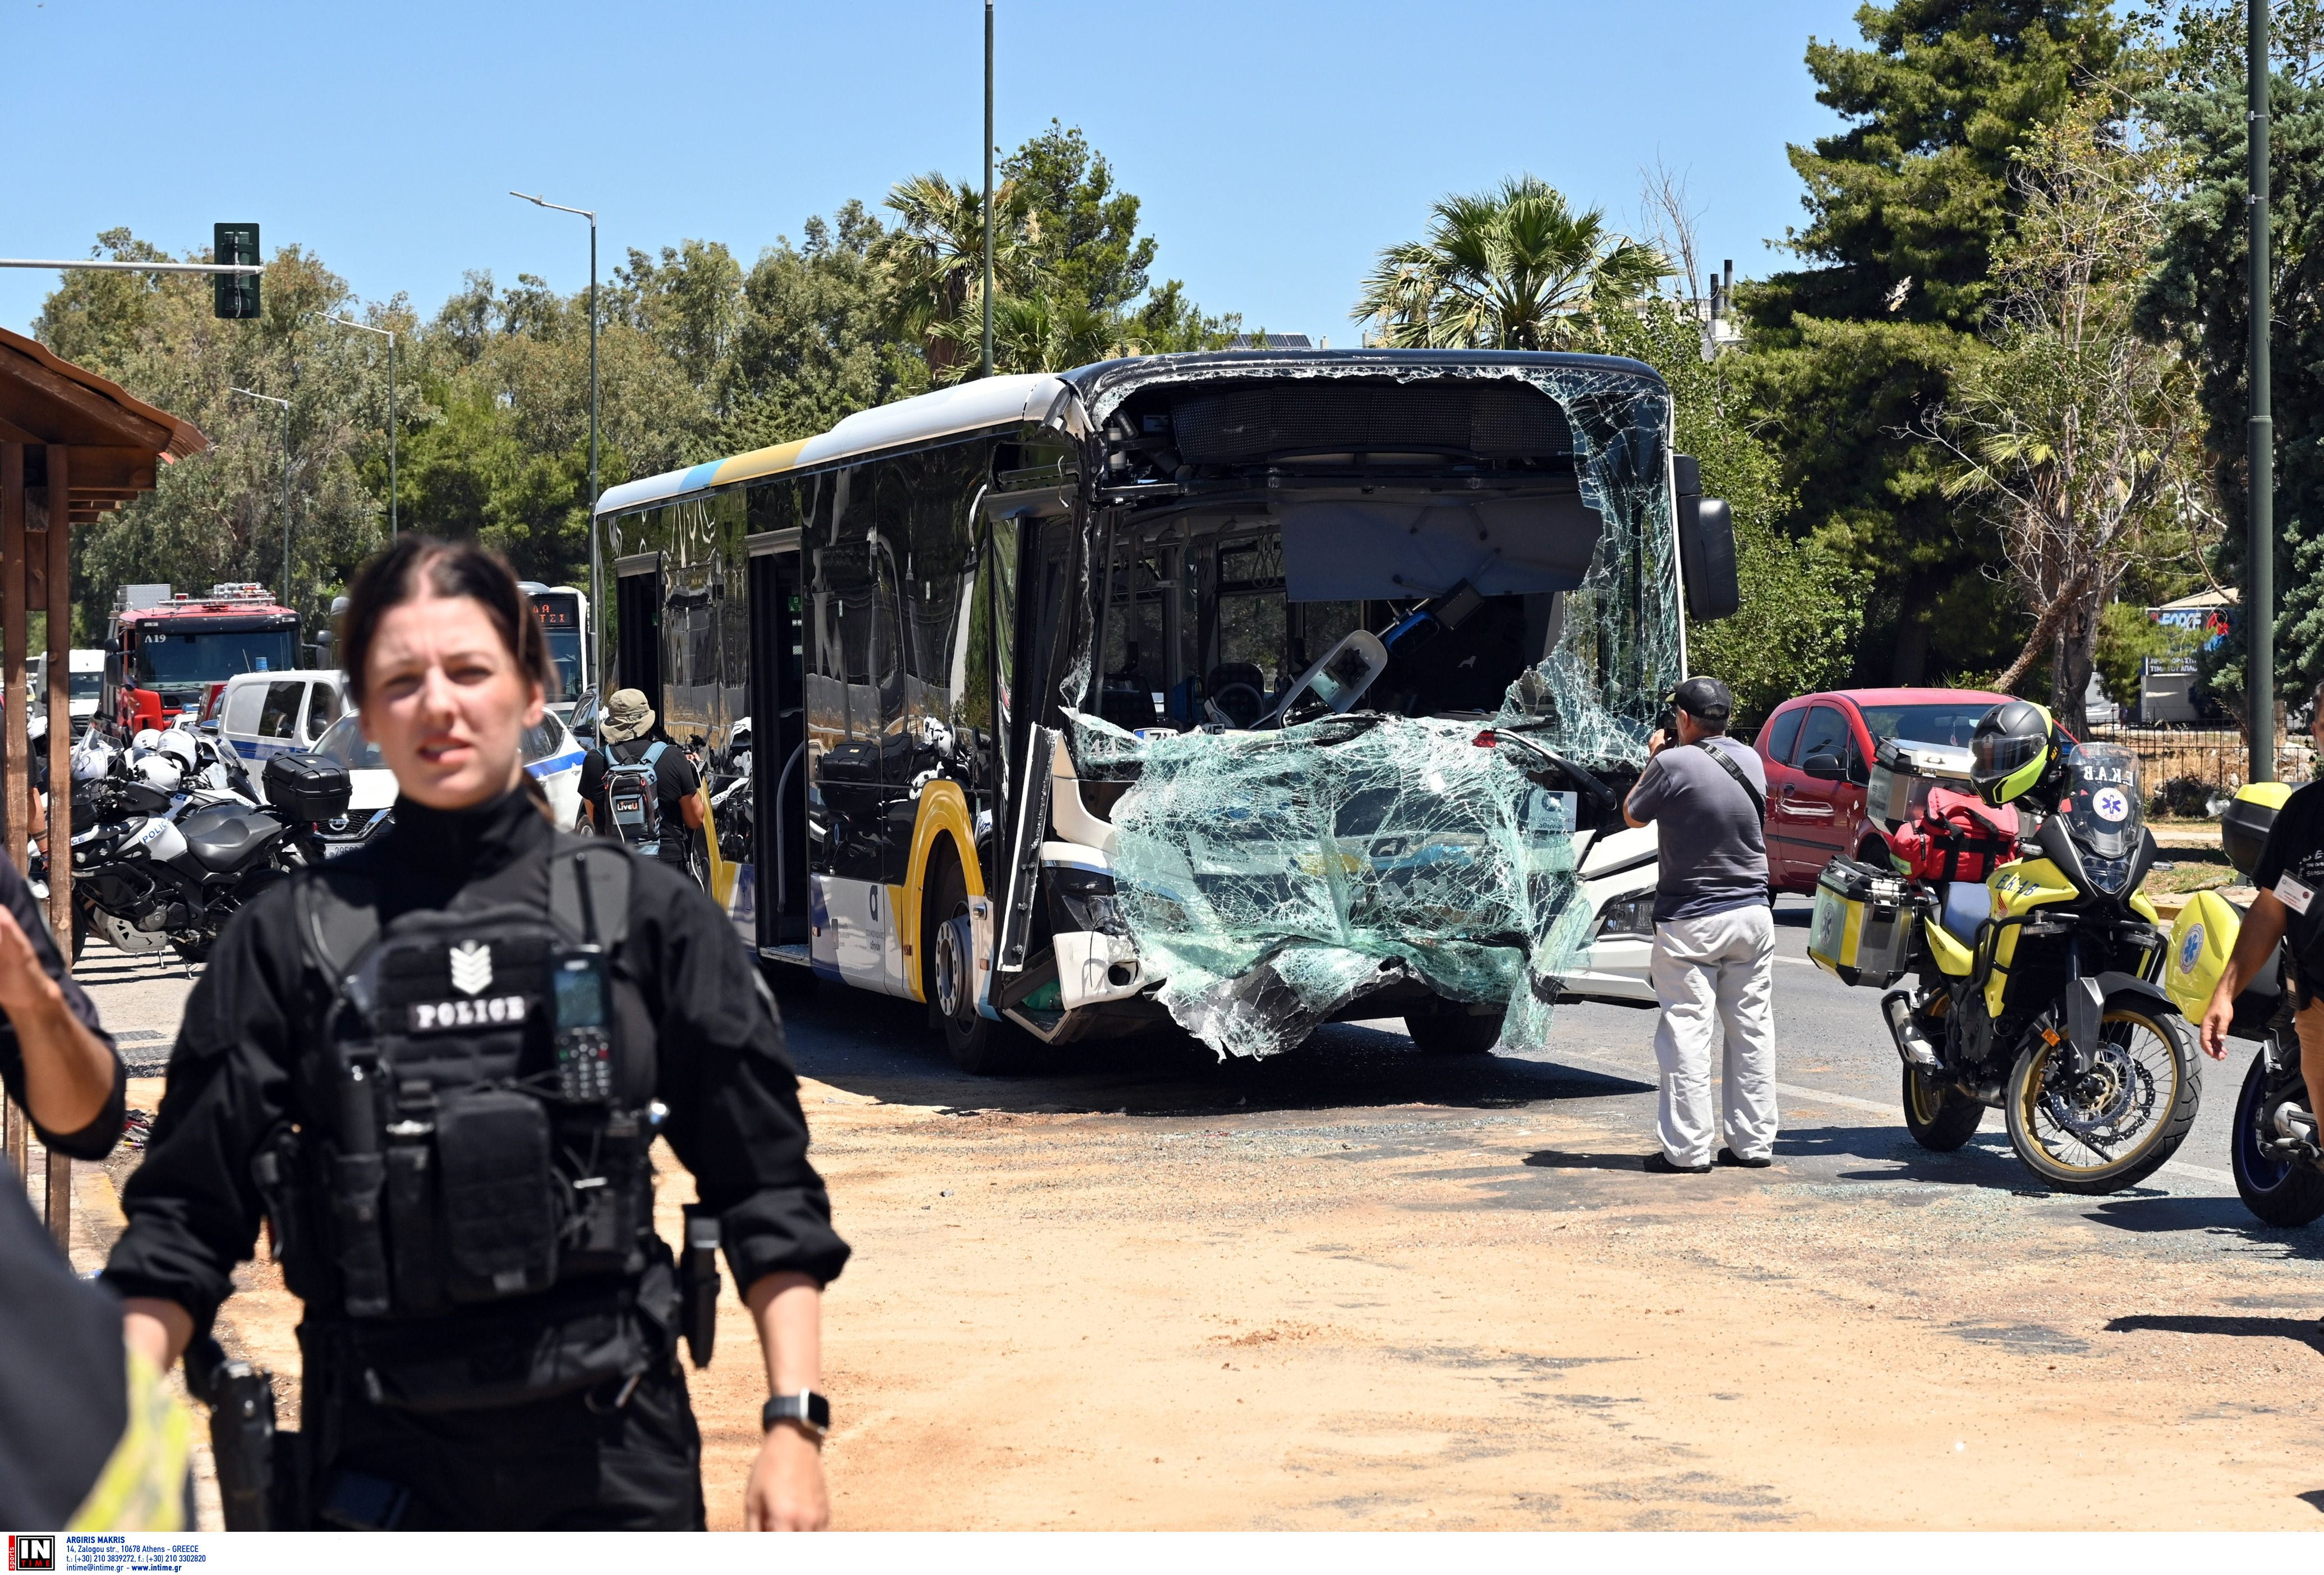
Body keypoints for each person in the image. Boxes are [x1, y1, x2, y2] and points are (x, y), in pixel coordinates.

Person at [103, 536, 849, 1531]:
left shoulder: (645, 916)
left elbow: (764, 1183)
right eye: (401, 680)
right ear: (366, 712)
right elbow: (183, 1224)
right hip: (376, 1475)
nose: (439, 705)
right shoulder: (289, 940)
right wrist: (97, 1435)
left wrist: (793, 1422)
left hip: (613, 1467)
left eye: (469, 670)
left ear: (533, 690)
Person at [1621, 676, 1778, 1174]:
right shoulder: (1750, 760)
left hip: (1692, 918)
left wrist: (1654, 756)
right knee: (1751, 1029)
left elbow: (1632, 815)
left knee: (1687, 1030)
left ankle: (1687, 1151)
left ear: (1684, 719)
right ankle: (1752, 1144)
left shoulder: (1671, 763)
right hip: (1752, 915)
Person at [2201, 683, 2324, 1124]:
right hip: (2317, 1009)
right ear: (2316, 732)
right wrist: (2225, 993)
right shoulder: (2302, 812)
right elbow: (2272, 909)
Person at [579, 688, 703, 873]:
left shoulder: (594, 761)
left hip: (615, 867)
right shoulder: (673, 757)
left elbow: (593, 817)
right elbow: (695, 820)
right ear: (647, 723)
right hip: (666, 866)